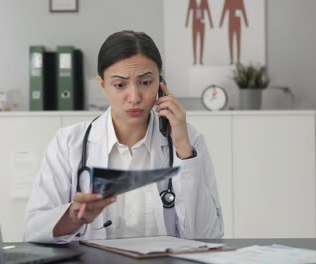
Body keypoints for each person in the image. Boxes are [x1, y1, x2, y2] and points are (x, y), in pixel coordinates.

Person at [23, 30, 223, 243]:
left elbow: (209, 236)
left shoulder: (190, 140)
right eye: (120, 85)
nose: (135, 97)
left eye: (146, 82)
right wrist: (73, 216)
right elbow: (32, 230)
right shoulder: (69, 143)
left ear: (160, 83)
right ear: (103, 85)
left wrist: (183, 149)